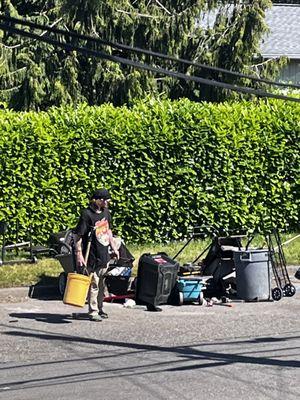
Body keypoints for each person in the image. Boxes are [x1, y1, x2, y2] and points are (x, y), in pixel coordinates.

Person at [73, 188, 119, 321]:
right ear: (97, 200)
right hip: (92, 253)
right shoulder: (87, 214)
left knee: (102, 284)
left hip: (104, 252)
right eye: (104, 199)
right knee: (94, 283)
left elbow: (108, 231)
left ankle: (99, 307)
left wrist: (114, 247)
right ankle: (93, 311)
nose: (107, 202)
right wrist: (79, 254)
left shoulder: (106, 212)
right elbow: (78, 235)